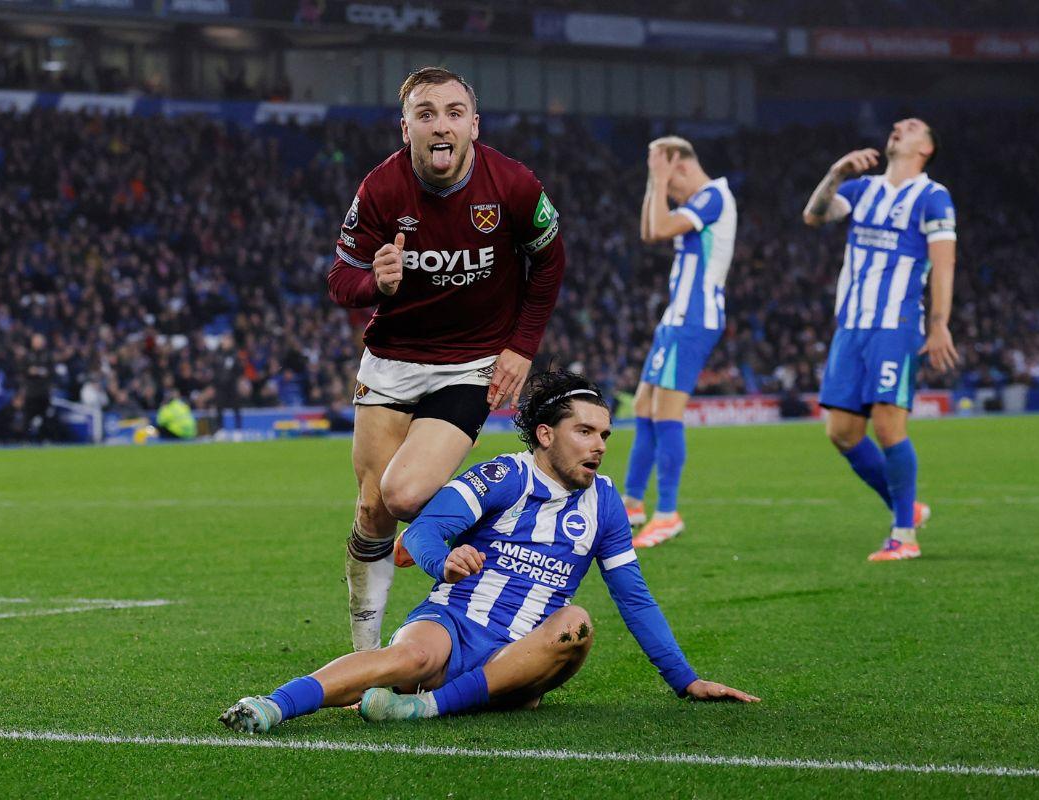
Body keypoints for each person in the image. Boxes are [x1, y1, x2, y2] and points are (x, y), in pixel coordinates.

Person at [220, 371, 758, 733]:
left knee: (576, 622)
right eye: (585, 431)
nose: (598, 445)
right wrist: (443, 561)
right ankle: (270, 706)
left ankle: (420, 707)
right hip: (454, 622)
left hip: (526, 651)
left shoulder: (607, 505)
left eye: (605, 435)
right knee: (409, 656)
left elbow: (635, 600)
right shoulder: (504, 474)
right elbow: (422, 535)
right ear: (545, 434)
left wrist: (686, 680)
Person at [326, 67, 566, 651]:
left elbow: (550, 264)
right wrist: (374, 286)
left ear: (474, 126)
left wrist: (520, 348)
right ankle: (366, 655)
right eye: (426, 113)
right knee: (373, 508)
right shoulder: (380, 190)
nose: (441, 125)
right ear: (405, 126)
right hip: (390, 361)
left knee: (406, 494)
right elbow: (340, 279)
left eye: (454, 113)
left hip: (469, 363)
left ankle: (462, 532)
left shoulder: (513, 185)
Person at [801, 118, 958, 561]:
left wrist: (940, 322)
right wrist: (836, 173)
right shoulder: (862, 189)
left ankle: (904, 534)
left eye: (910, 127)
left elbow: (944, 264)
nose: (897, 127)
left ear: (925, 148)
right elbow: (813, 216)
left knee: (889, 426)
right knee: (842, 432)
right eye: (897, 124)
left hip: (896, 324)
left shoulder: (932, 196)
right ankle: (907, 507)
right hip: (852, 325)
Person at [621, 137, 737, 548]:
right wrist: (657, 182)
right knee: (643, 406)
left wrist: (659, 176)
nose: (668, 194)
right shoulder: (699, 201)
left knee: (667, 409)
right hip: (677, 316)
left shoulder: (713, 197)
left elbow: (661, 228)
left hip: (695, 317)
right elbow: (651, 228)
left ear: (682, 167)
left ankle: (667, 512)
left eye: (671, 184)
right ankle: (633, 503)